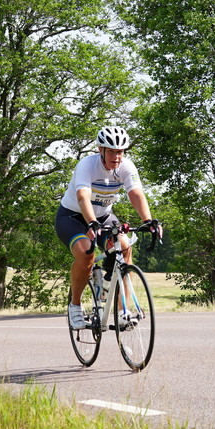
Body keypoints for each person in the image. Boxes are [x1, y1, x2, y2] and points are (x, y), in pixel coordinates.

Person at [55, 126, 161, 329]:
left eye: (120, 151)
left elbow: (136, 194)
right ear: (100, 150)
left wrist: (149, 220)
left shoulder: (126, 167)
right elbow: (82, 197)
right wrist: (91, 222)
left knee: (124, 246)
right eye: (111, 151)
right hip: (72, 216)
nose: (116, 156)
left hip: (104, 216)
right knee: (86, 253)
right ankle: (75, 306)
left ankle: (123, 311)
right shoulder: (87, 165)